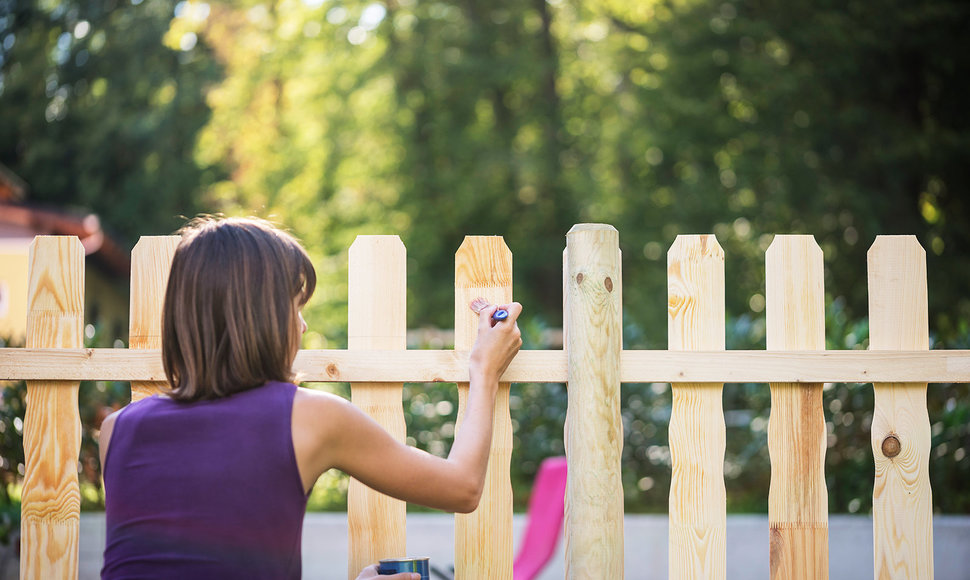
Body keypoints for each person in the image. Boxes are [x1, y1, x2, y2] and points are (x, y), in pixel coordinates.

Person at [99, 216, 522, 579]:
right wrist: (484, 370)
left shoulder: (117, 430)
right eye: (295, 306)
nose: (301, 326)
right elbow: (462, 488)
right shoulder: (306, 416)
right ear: (259, 317)